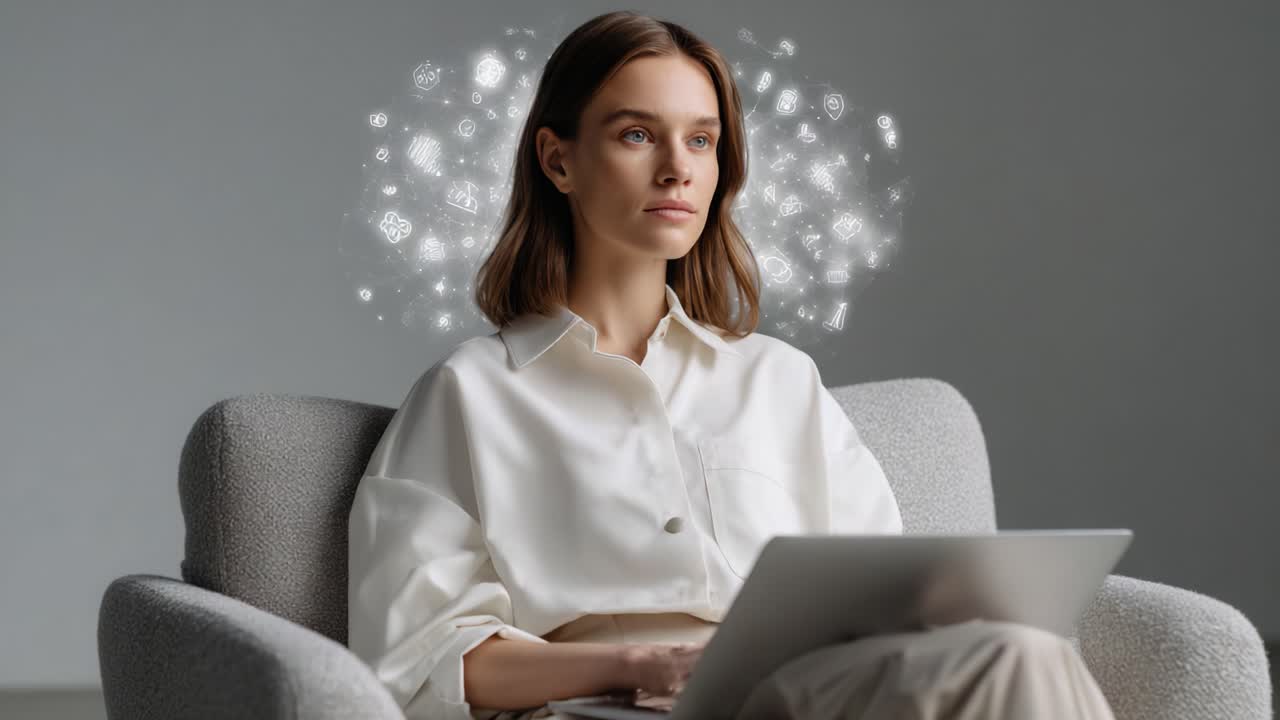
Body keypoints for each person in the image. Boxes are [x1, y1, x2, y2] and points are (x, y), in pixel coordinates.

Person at [347, 10, 1117, 720]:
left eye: (702, 140)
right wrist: (637, 664)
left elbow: (890, 594)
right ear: (558, 160)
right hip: (606, 710)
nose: (678, 169)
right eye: (637, 135)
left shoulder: (778, 381)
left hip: (798, 696)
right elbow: (416, 658)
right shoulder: (471, 394)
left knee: (1023, 653)